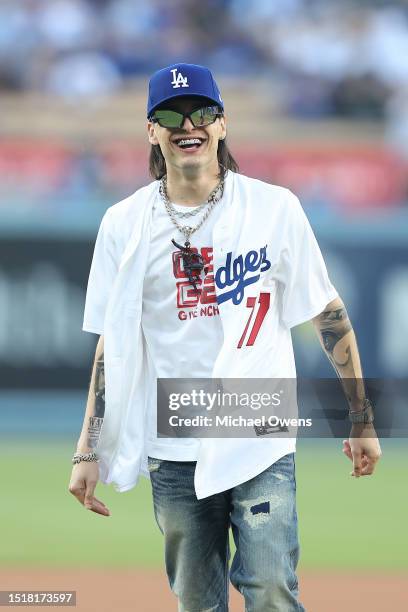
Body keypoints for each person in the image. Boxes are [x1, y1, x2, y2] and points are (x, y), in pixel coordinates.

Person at [69, 63, 382, 611]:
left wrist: (360, 417)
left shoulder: (274, 208)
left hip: (258, 423)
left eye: (202, 112)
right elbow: (112, 346)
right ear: (150, 130)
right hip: (174, 434)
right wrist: (88, 445)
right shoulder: (123, 224)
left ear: (222, 123)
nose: (186, 124)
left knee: (271, 588)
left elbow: (327, 312)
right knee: (197, 600)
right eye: (169, 114)